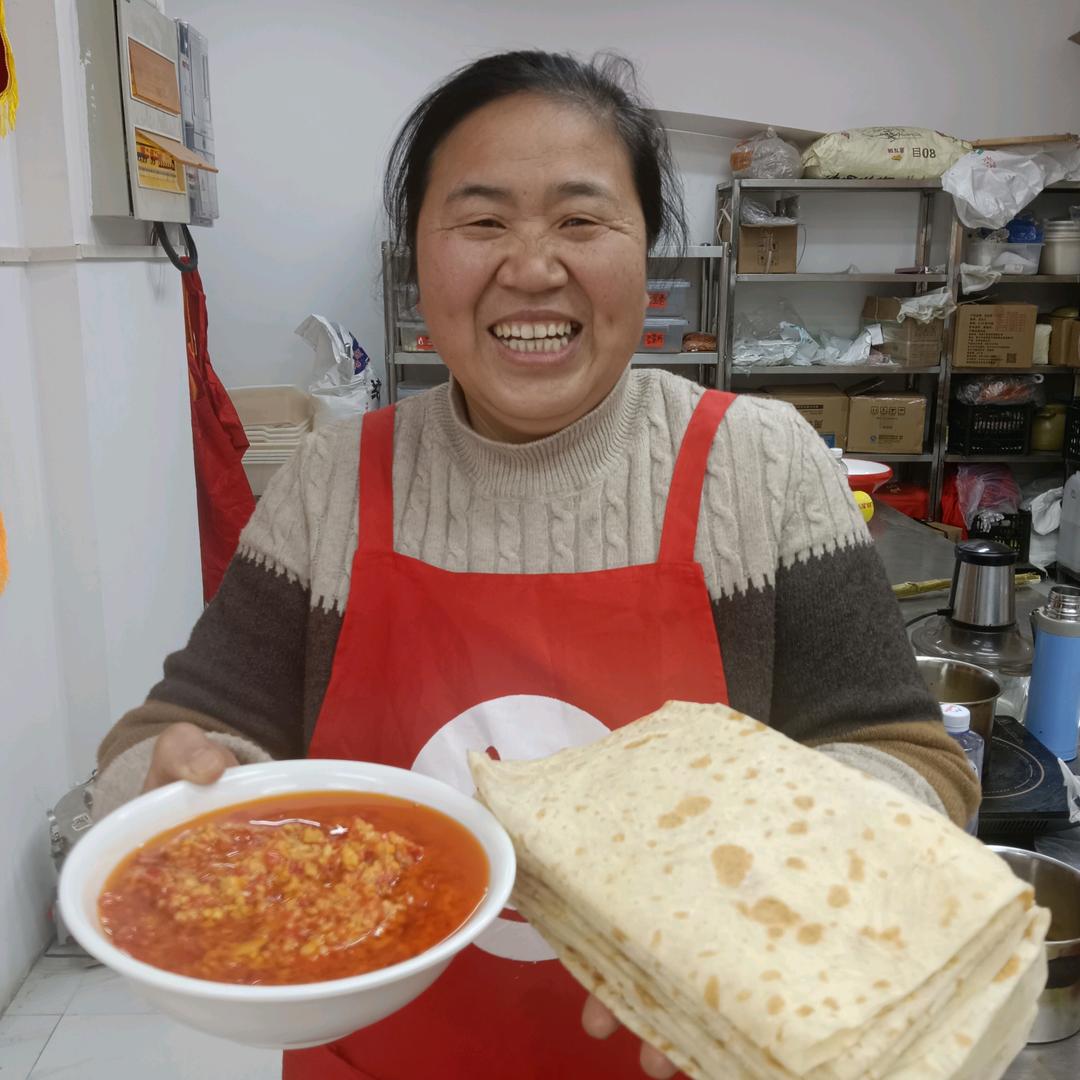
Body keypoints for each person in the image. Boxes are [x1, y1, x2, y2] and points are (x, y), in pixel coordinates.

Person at [94, 50, 979, 1080]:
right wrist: (190, 800)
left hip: (689, 1046)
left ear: (645, 247)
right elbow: (164, 741)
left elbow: (918, 766)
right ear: (418, 253)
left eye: (579, 219)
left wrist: (769, 872)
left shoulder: (760, 467)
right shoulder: (339, 479)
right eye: (481, 221)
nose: (531, 266)